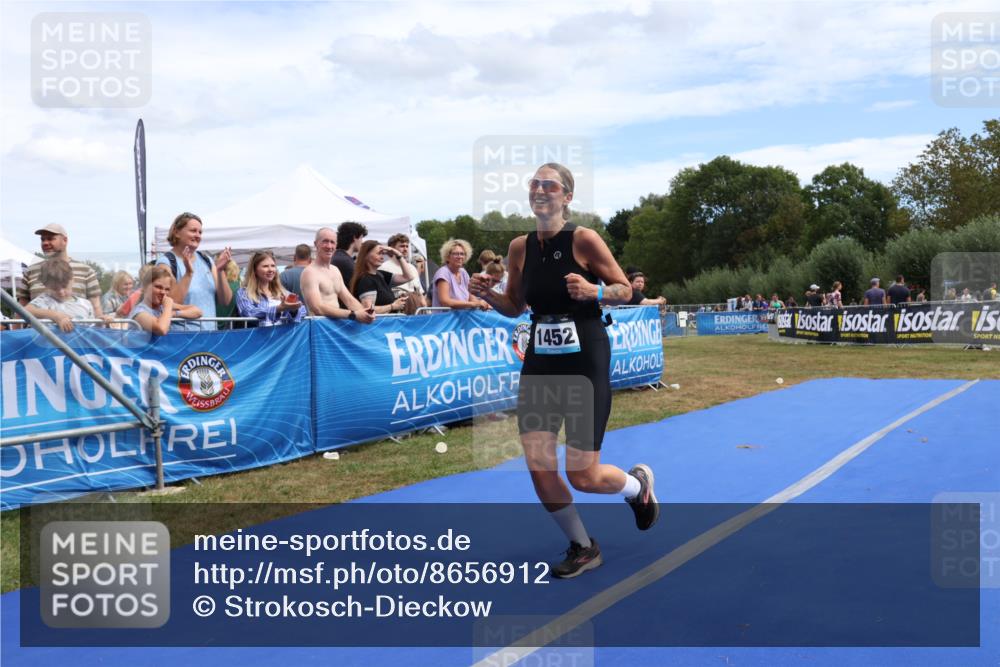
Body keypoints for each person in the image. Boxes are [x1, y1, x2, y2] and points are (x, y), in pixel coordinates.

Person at [470, 162, 658, 579]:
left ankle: (635, 488)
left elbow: (628, 290)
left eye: (549, 185)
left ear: (566, 197)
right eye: (534, 184)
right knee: (538, 464)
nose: (539, 190)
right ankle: (582, 546)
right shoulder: (519, 247)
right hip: (540, 358)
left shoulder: (584, 240)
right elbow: (515, 306)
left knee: (583, 475)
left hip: (584, 358)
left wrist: (594, 291)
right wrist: (490, 295)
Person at [156, 212, 232, 330]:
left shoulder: (206, 260)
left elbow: (226, 300)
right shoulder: (165, 263)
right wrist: (188, 273)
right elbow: (169, 303)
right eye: (193, 230)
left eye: (200, 232)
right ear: (176, 232)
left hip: (209, 337)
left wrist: (220, 270)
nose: (198, 235)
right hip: (182, 338)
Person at [19, 223, 103, 316]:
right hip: (36, 330)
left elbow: (96, 307)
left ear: (65, 240)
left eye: (51, 238)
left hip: (76, 330)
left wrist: (101, 323)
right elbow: (21, 307)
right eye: (43, 239)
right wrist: (16, 330)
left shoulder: (86, 271)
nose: (45, 243)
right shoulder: (31, 271)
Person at [300, 227, 375, 323]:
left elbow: (349, 300)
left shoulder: (335, 270)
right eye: (325, 241)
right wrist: (353, 314)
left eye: (332, 242)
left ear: (336, 245)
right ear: (315, 244)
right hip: (320, 329)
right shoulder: (310, 272)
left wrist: (365, 313)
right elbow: (318, 308)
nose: (329, 246)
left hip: (336, 329)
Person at [26, 259, 111, 332]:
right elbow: (26, 310)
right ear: (45, 285)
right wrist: (55, 316)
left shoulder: (85, 304)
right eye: (54, 288)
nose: (61, 292)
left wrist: (101, 322)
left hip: (77, 349)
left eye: (64, 286)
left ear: (72, 280)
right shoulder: (43, 300)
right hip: (50, 349)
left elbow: (91, 331)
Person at [236, 251, 306, 326]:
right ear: (255, 270)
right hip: (260, 337)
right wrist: (278, 309)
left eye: (273, 266)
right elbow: (248, 312)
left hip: (284, 337)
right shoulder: (244, 293)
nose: (270, 270)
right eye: (265, 266)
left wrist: (293, 310)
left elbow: (303, 310)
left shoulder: (283, 292)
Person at [131, 265, 203, 335]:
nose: (163, 292)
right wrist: (168, 308)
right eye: (158, 287)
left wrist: (174, 314)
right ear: (145, 286)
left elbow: (198, 311)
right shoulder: (140, 312)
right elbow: (161, 329)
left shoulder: (163, 306)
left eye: (167, 289)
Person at [349, 241, 413, 314]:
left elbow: (408, 277)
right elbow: (369, 310)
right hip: (377, 324)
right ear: (366, 255)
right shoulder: (366, 280)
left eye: (383, 253)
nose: (382, 257)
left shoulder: (380, 274)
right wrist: (393, 306)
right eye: (379, 253)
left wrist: (398, 254)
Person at [432, 239, 490, 310]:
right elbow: (445, 301)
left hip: (461, 317)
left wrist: (481, 304)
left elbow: (470, 295)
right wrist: (473, 304)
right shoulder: (443, 273)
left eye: (462, 254)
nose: (460, 257)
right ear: (448, 256)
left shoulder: (463, 272)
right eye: (456, 254)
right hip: (445, 318)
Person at [332, 221, 368, 288]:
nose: (362, 242)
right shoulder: (344, 260)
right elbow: (363, 285)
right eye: (361, 238)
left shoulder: (340, 257)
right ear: (354, 237)